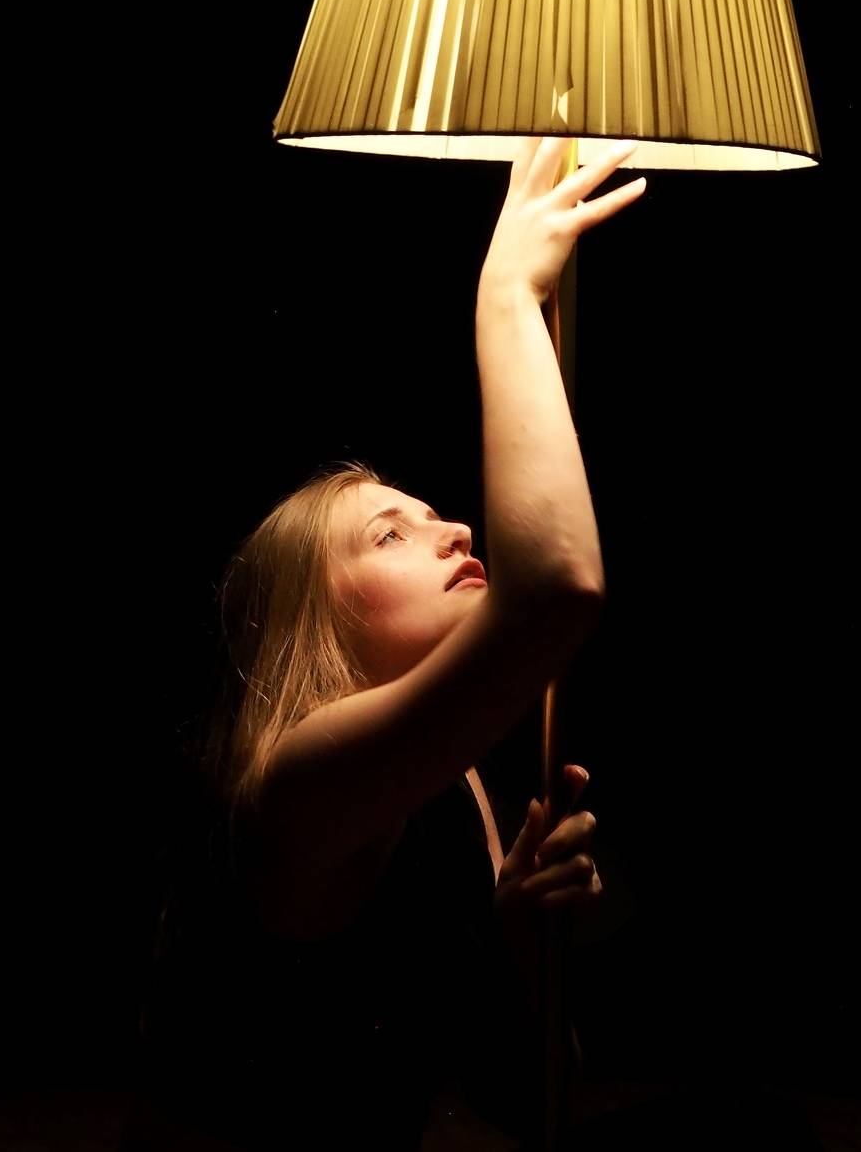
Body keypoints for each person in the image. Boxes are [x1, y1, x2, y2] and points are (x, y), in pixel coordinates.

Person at [119, 137, 647, 1150]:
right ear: (311, 620)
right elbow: (555, 589)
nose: (458, 531)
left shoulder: (457, 791)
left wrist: (520, 948)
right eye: (390, 535)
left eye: (435, 515)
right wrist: (506, 296)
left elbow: (523, 1100)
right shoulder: (299, 782)